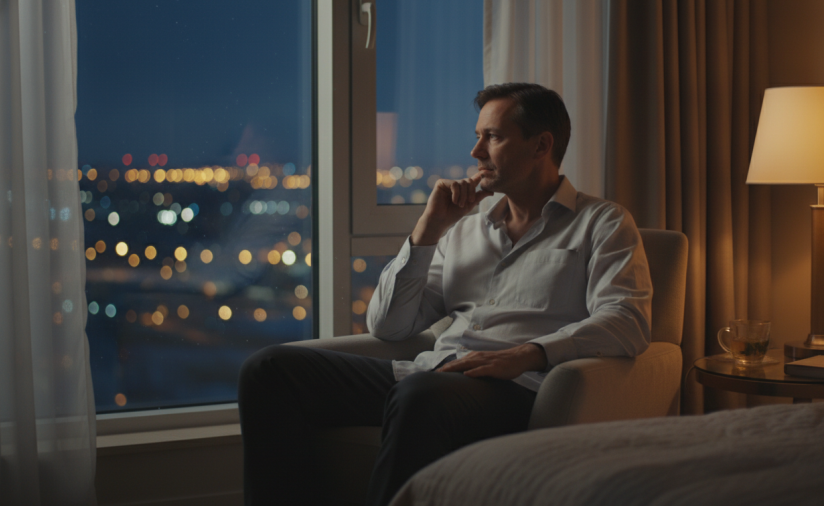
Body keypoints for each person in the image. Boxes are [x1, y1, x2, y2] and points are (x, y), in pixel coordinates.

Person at [238, 83, 653, 506]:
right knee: (269, 369)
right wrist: (429, 230)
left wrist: (526, 354)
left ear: (541, 145)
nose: (475, 152)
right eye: (478, 136)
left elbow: (627, 320)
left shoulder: (602, 223)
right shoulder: (465, 230)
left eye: (492, 137)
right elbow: (389, 324)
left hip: (521, 388)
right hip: (431, 374)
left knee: (420, 395)